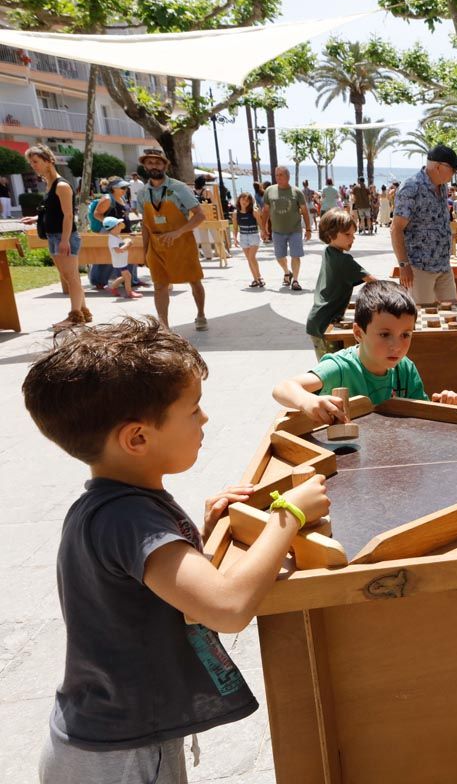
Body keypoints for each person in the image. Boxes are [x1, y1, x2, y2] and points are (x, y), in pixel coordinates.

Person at [23, 317, 329, 784]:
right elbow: (227, 608)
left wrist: (199, 537)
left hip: (100, 740)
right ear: (137, 438)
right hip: (122, 757)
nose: (204, 419)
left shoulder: (110, 505)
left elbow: (158, 592)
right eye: (193, 410)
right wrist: (290, 515)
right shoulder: (131, 518)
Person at [272, 280, 457, 425]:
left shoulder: (405, 368)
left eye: (405, 334)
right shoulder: (339, 367)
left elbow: (421, 414)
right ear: (358, 333)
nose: (396, 346)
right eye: (384, 334)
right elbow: (282, 388)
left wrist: (442, 403)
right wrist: (307, 400)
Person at [135, 148, 209, 330]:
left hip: (182, 244)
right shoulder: (142, 193)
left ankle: (201, 314)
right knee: (159, 285)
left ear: (165, 165)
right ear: (144, 165)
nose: (154, 165)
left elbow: (199, 216)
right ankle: (164, 327)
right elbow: (145, 224)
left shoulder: (178, 188)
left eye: (158, 162)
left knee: (194, 280)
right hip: (157, 246)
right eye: (150, 162)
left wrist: (178, 232)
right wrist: (144, 252)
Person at [22, 144, 86, 328]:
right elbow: (54, 211)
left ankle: (75, 316)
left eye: (36, 162)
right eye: (31, 162)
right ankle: (83, 311)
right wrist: (35, 218)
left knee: (71, 277)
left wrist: (65, 240)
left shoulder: (62, 185)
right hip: (54, 236)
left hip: (63, 236)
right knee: (70, 276)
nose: (33, 165)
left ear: (49, 161)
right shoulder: (50, 184)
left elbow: (68, 215)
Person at [391, 145, 457, 304]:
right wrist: (403, 265)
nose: (454, 173)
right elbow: (396, 229)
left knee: (453, 310)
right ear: (438, 167)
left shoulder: (443, 187)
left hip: (443, 264)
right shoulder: (411, 187)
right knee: (423, 316)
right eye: (453, 169)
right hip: (419, 267)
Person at [306, 209, 377, 359]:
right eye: (347, 235)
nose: (352, 238)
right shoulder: (343, 260)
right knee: (332, 371)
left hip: (318, 320)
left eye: (353, 234)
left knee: (329, 369)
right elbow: (374, 282)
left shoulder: (329, 251)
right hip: (326, 324)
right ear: (330, 234)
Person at [262, 166, 313, 291]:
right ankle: (287, 272)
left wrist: (308, 229)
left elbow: (305, 212)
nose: (278, 177)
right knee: (280, 257)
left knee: (295, 255)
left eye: (281, 175)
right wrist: (263, 228)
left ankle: (295, 280)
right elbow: (266, 211)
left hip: (294, 230)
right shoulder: (269, 191)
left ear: (288, 177)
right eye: (276, 175)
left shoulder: (297, 192)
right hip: (277, 231)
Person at [232, 192, 266, 288]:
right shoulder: (235, 214)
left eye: (247, 200)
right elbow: (235, 228)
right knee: (249, 259)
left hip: (253, 236)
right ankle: (255, 279)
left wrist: (263, 232)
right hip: (243, 237)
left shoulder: (254, 212)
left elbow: (260, 224)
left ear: (250, 202)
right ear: (239, 200)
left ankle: (259, 277)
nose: (245, 202)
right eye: (243, 199)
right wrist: (235, 238)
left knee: (252, 257)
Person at [101, 216, 140, 299]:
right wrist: (128, 244)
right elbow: (118, 250)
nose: (121, 226)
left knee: (125, 276)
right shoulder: (112, 239)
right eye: (119, 225)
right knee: (128, 276)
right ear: (114, 227)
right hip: (119, 261)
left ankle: (112, 287)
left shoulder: (116, 236)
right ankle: (129, 293)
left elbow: (121, 244)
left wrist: (128, 240)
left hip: (121, 261)